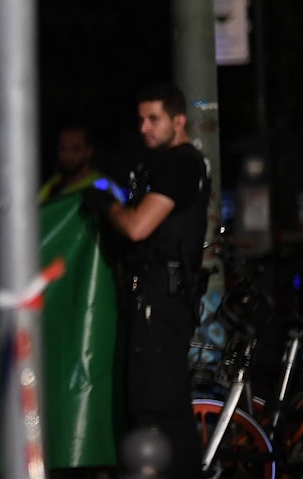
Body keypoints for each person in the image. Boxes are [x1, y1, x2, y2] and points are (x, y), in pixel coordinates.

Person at [84, 84, 212, 479]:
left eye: (153, 119)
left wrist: (109, 207)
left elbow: (138, 227)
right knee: (160, 407)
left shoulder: (180, 165)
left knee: (155, 409)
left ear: (179, 121)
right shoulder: (167, 164)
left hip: (161, 300)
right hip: (160, 297)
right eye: (140, 119)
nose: (144, 127)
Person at [41, 125, 110, 201]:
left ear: (89, 152)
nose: (68, 155)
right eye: (63, 148)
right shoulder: (51, 185)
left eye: (76, 149)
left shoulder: (101, 185)